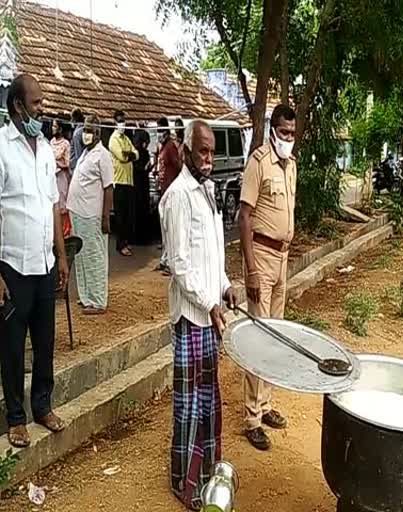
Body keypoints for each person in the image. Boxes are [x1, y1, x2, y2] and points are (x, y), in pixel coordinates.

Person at [0, 74, 69, 448]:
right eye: (36, 103)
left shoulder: (45, 149)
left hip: (45, 266)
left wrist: (62, 257)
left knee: (45, 343)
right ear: (18, 106)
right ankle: (15, 419)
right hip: (13, 270)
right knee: (13, 347)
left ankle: (42, 406)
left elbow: (52, 206)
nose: (41, 109)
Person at [160, 119, 235, 510]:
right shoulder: (177, 197)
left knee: (209, 399)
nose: (208, 158)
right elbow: (180, 266)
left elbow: (212, 259)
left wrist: (226, 286)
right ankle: (183, 484)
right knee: (189, 405)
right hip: (192, 317)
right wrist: (210, 303)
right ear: (186, 151)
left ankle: (206, 474)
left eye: (211, 151)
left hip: (211, 314)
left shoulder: (208, 192)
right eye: (201, 150)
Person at [238, 104, 297, 450]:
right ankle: (252, 417)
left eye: (292, 133)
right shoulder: (259, 163)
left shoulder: (291, 165)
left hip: (283, 257)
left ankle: (267, 404)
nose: (288, 138)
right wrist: (251, 270)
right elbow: (244, 217)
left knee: (277, 336)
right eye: (284, 132)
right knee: (259, 339)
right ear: (273, 130)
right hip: (260, 255)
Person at [67, 116, 114, 315]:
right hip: (78, 212)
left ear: (97, 132)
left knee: (95, 256)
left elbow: (109, 188)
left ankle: (98, 300)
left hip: (92, 214)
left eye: (89, 130)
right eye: (84, 129)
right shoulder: (86, 153)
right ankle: (86, 296)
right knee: (82, 256)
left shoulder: (103, 155)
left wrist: (106, 217)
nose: (85, 134)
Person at [108, 110, 139, 256]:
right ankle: (120, 245)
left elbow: (136, 153)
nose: (122, 124)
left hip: (129, 181)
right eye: (120, 121)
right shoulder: (113, 139)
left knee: (128, 215)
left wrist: (130, 154)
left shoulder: (126, 138)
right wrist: (129, 154)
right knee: (120, 216)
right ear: (115, 122)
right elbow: (122, 156)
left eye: (123, 121)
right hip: (119, 181)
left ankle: (125, 242)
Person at [154, 117, 182, 275]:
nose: (158, 133)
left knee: (171, 227)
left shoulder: (171, 146)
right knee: (164, 228)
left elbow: (178, 166)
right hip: (162, 190)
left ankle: (172, 262)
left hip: (170, 191)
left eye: (160, 130)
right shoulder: (162, 146)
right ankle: (165, 260)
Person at [51, 120, 73, 238]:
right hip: (52, 176)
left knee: (62, 204)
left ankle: (65, 233)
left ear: (60, 129)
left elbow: (67, 163)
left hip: (61, 177)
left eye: (55, 126)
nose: (52, 128)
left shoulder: (66, 144)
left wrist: (57, 163)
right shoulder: (51, 142)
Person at [132, 128, 153, 245]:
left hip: (141, 184)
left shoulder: (142, 152)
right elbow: (137, 168)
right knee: (139, 210)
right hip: (139, 184)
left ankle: (142, 237)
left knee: (142, 210)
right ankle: (140, 238)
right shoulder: (137, 153)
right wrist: (144, 168)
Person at [69, 108, 86, 173]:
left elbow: (78, 153)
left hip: (77, 166)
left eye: (72, 119)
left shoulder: (77, 134)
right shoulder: (83, 129)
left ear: (75, 120)